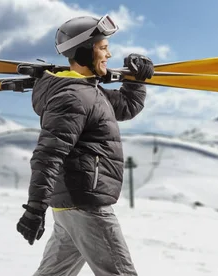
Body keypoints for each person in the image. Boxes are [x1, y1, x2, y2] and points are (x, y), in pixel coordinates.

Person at [16, 14, 154, 276]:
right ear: (83, 53)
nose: (109, 54)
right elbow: (48, 155)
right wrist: (35, 208)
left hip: (73, 206)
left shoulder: (89, 92)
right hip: (86, 206)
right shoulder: (73, 97)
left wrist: (136, 79)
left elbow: (126, 106)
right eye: (103, 48)